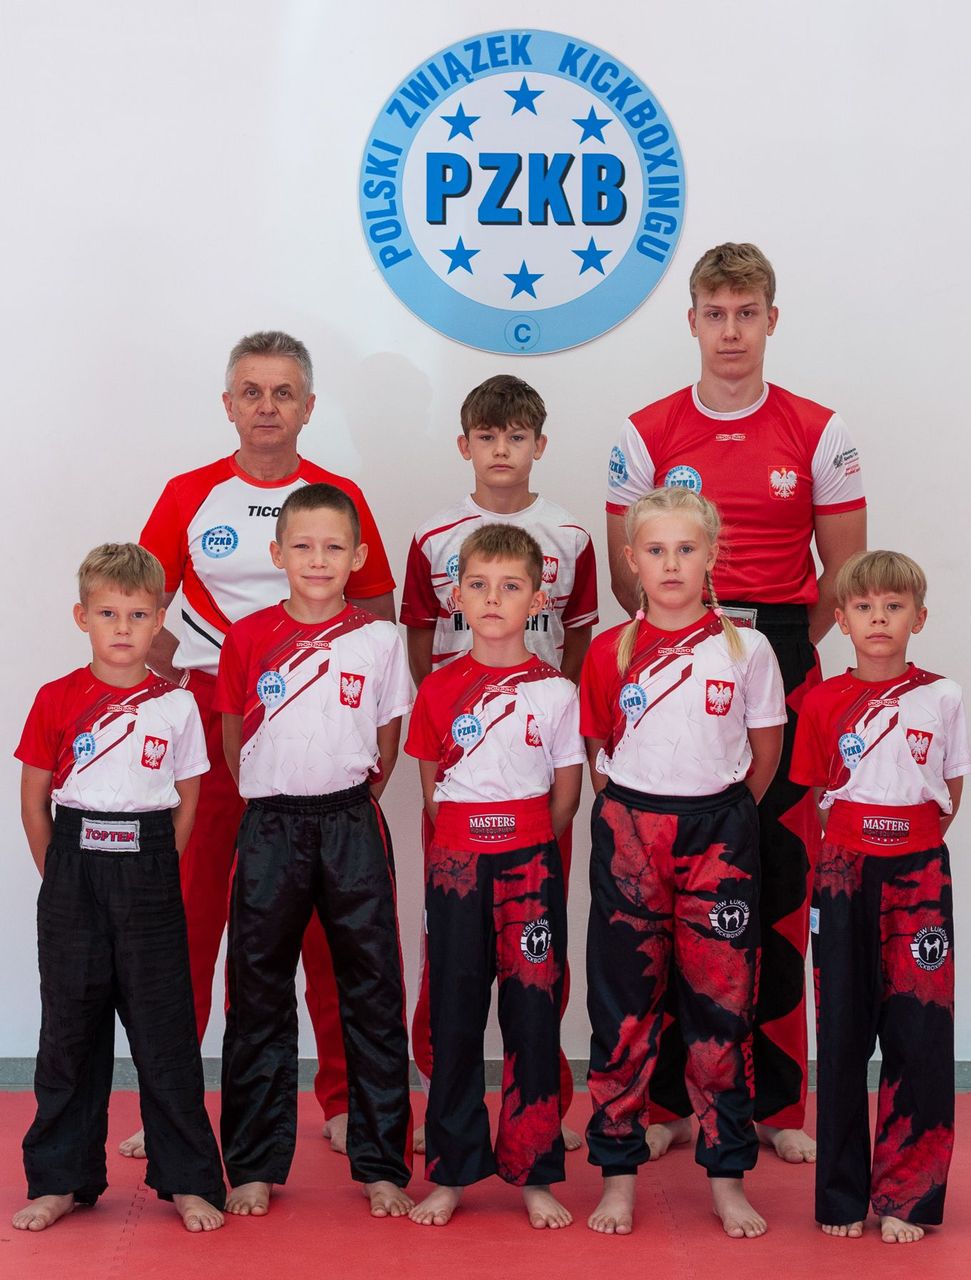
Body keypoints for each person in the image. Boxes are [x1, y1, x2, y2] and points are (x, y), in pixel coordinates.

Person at [605, 243, 866, 1163]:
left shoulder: (818, 431)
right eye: (714, 314)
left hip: (779, 656)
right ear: (691, 321)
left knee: (778, 884)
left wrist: (767, 654)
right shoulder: (645, 432)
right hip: (673, 650)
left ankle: (773, 1105)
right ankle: (670, 1101)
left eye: (745, 313)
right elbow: (628, 576)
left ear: (770, 320)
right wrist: (692, 640)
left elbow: (843, 576)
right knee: (667, 887)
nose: (729, 331)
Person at [135, 330, 396, 1159]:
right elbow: (136, 607)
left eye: (284, 392)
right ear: (228, 404)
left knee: (330, 926)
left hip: (316, 727)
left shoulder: (338, 494)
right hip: (214, 719)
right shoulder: (188, 494)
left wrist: (359, 736)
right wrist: (186, 678)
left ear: (308, 407)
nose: (267, 407)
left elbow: (379, 619)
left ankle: (345, 1099)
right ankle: (172, 1101)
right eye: (251, 391)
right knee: (193, 914)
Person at [581, 489, 786, 1238]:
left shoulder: (747, 650)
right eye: (656, 550)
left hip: (719, 833)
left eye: (686, 549)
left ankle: (727, 1176)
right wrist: (639, 819)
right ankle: (617, 1175)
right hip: (630, 832)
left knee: (721, 1009)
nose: (671, 564)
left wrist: (717, 815)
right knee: (623, 1010)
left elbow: (763, 755)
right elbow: (600, 754)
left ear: (710, 556)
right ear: (632, 560)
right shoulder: (608, 650)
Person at [402, 374, 597, 1151]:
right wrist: (456, 725)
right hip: (462, 773)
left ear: (538, 445)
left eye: (516, 436)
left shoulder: (569, 535)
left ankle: (540, 1107)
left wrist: (543, 716)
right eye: (487, 436)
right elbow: (419, 639)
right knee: (447, 954)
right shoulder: (432, 536)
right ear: (465, 445)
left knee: (538, 950)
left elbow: (579, 636)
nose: (501, 450)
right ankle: (441, 1101)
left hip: (535, 770)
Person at [13, 544, 225, 1233]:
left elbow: (188, 800)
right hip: (74, 865)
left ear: (159, 619)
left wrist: (156, 867)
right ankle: (60, 1180)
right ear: (83, 617)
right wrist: (60, 874)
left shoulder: (178, 706)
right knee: (69, 1031)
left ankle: (188, 1179)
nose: (124, 627)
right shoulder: (56, 697)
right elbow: (34, 800)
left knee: (165, 1030)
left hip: (149, 863)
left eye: (138, 614)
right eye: (108, 613)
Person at [215, 483, 413, 1219]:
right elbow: (235, 738)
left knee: (372, 992)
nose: (318, 559)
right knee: (257, 996)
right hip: (270, 825)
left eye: (334, 546)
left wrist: (347, 799)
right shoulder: (247, 637)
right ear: (278, 553)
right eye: (303, 545)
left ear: (357, 556)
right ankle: (253, 1165)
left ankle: (382, 1164)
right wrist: (275, 795)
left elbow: (386, 738)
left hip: (350, 823)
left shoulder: (379, 640)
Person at [404, 524, 584, 1229]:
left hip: (529, 863)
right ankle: (452, 1172)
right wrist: (468, 841)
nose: (492, 598)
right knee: (453, 1013)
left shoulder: (557, 692)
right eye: (477, 585)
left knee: (532, 1014)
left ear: (537, 600)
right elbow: (431, 788)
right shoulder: (437, 688)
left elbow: (566, 797)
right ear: (456, 596)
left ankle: (534, 1171)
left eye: (510, 587)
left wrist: (521, 838)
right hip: (457, 866)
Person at [790, 551, 967, 1243]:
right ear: (841, 619)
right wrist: (856, 848)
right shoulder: (821, 701)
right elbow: (815, 795)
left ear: (918, 618)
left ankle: (907, 1196)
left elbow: (950, 790)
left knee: (918, 1031)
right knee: (839, 1032)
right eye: (863, 607)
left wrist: (908, 843)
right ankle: (840, 1197)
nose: (878, 619)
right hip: (842, 872)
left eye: (893, 607)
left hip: (918, 872)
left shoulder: (943, 696)